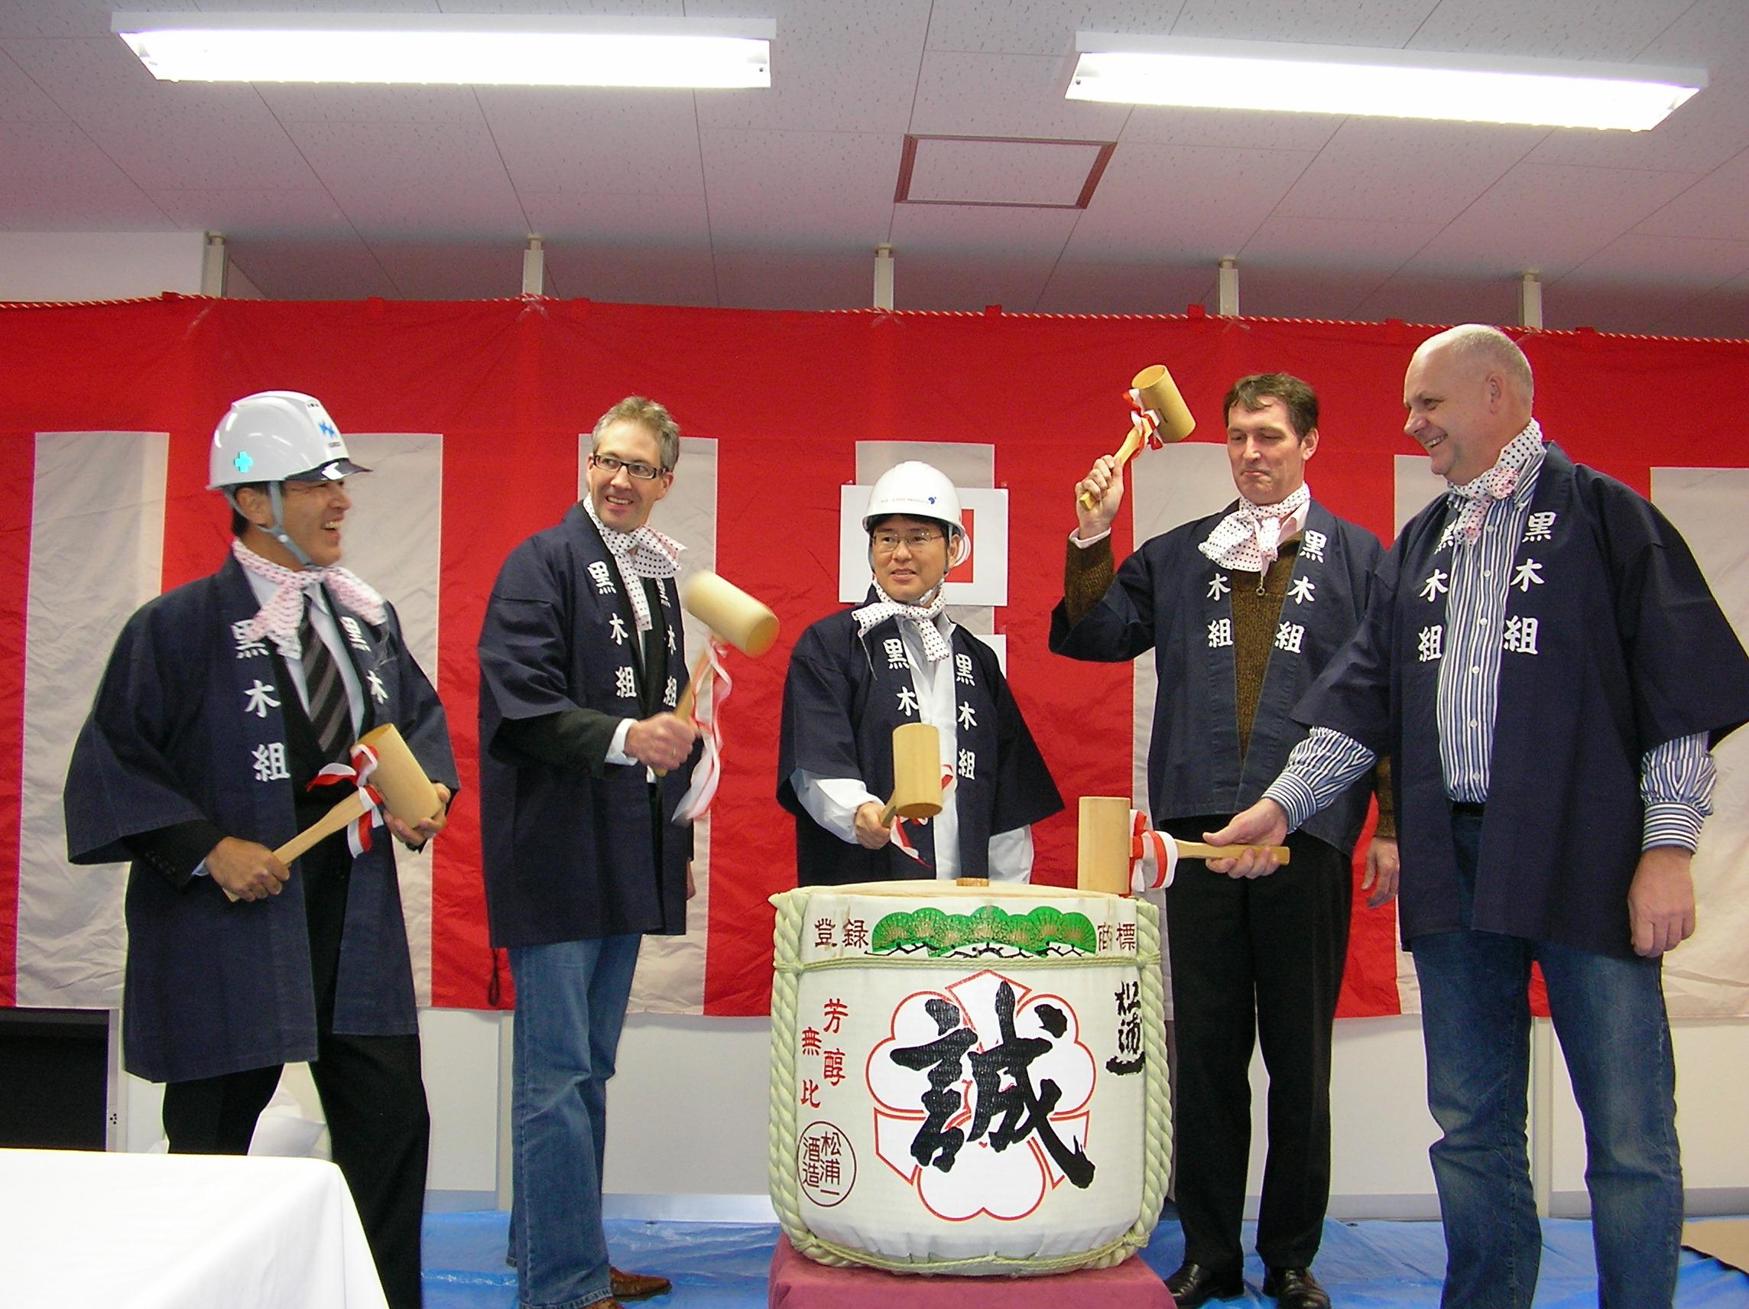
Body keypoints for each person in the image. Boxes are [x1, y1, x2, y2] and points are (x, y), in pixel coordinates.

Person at [1210, 326, 1749, 1308]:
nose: (1412, 425)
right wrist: (1278, 805)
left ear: (1495, 394)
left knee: (1630, 1130)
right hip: (1455, 858)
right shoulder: (1424, 544)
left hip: (1587, 848)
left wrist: (1667, 849)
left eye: (1429, 405)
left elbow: (1677, 699)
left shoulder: (1608, 520)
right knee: (1471, 1126)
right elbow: (1360, 704)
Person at [64, 390, 457, 1309]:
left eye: (337, 481)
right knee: (208, 1140)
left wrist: (424, 793)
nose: (339, 499)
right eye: (316, 482)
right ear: (250, 500)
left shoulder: (363, 620)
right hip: (229, 921)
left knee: (392, 1127)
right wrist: (207, 847)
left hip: (350, 915)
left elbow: (417, 723)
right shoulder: (176, 627)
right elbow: (112, 764)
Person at [1050, 374, 1394, 1309]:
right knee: (1202, 1052)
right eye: (1238, 436)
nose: (1250, 452)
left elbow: (1387, 699)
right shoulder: (1180, 554)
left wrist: (1390, 826)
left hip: (1309, 833)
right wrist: (1093, 533)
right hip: (1195, 837)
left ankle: (1288, 1253)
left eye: (1270, 437)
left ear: (1308, 443)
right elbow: (1092, 633)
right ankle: (1207, 1247)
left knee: (1298, 1057)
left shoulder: (1362, 561)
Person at [478, 395, 700, 1309]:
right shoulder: (541, 561)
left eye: (639, 467)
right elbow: (516, 698)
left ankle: (555, 1251)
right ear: (587, 463)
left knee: (586, 1070)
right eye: (606, 459)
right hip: (555, 851)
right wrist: (623, 740)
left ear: (665, 485)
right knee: (556, 1073)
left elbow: (670, 730)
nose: (618, 478)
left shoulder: (654, 582)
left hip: (624, 853)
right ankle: (560, 1282)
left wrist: (671, 839)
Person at [778, 460, 1061, 884]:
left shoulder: (977, 660)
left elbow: (1005, 796)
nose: (901, 554)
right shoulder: (833, 645)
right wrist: (857, 812)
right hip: (864, 892)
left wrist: (1006, 898)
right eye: (886, 538)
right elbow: (815, 764)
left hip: (965, 904)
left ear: (953, 549)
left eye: (918, 537)